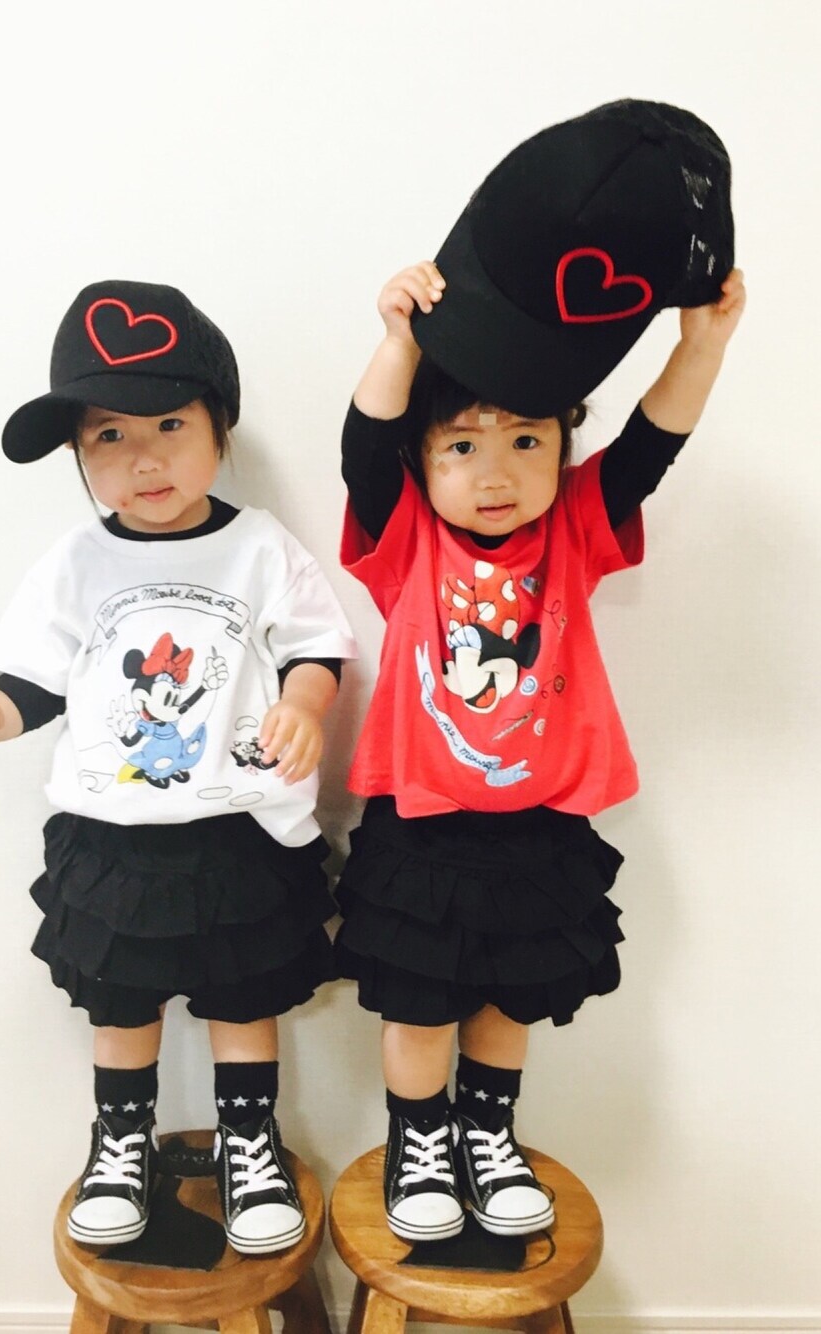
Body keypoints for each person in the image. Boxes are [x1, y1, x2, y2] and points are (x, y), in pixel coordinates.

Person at [0, 280, 356, 1255]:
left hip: (237, 826)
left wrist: (304, 704)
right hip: (114, 836)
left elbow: (316, 646)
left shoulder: (260, 547)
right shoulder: (77, 563)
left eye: (169, 424)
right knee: (122, 1001)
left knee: (243, 995)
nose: (144, 458)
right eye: (107, 437)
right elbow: (27, 684)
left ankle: (248, 1144)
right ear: (80, 458)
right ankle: (120, 1143)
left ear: (219, 426)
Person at [335, 260, 745, 1243]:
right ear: (423, 459)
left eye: (527, 439)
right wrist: (396, 342)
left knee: (508, 1001)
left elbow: (649, 449)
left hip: (540, 827)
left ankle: (487, 1134)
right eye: (462, 444)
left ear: (563, 445)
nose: (496, 472)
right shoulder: (406, 540)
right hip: (423, 830)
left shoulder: (573, 527)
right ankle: (419, 1142)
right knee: (420, 1008)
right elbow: (362, 449)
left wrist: (701, 345)